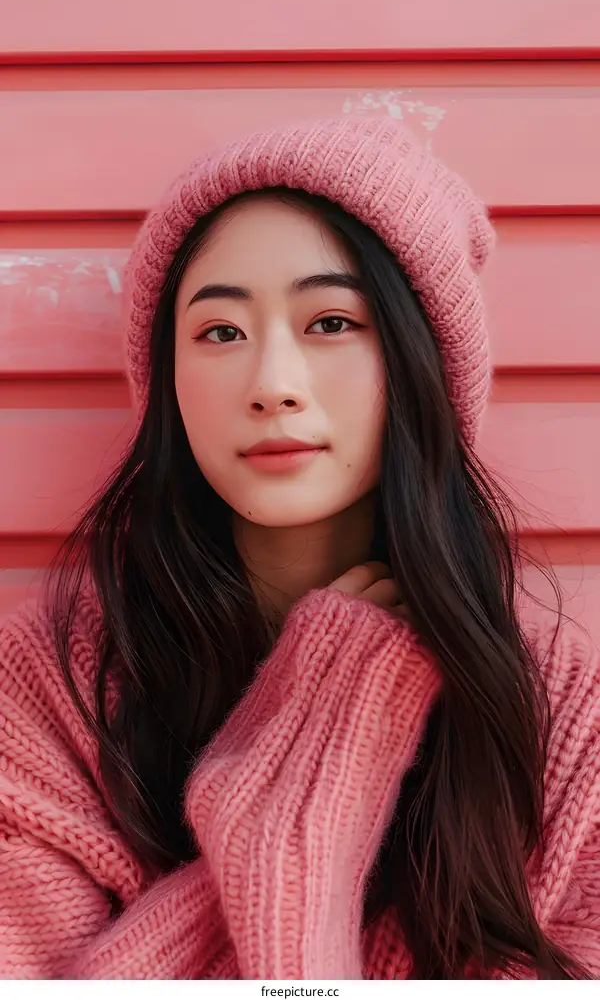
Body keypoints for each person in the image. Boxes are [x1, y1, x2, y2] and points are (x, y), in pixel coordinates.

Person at [0, 116, 598, 981]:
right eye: (221, 333)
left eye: (330, 322)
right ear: (169, 379)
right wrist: (304, 786)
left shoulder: (557, 718)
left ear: (422, 361)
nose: (273, 385)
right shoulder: (54, 686)